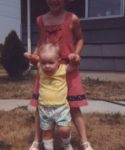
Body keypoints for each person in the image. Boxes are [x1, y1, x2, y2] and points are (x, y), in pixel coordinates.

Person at [25, 0, 93, 150]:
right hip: (47, 69)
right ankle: (37, 140)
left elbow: (80, 38)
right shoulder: (41, 20)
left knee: (74, 106)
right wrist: (35, 56)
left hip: (68, 69)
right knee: (40, 105)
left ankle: (84, 141)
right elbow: (40, 42)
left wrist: (76, 54)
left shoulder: (72, 18)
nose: (54, 2)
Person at [34, 42, 76, 150]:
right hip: (44, 108)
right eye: (43, 63)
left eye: (51, 62)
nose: (47, 66)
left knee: (64, 130)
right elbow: (34, 60)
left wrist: (74, 59)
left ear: (58, 61)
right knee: (47, 133)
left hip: (61, 108)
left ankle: (66, 144)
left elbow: (74, 66)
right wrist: (31, 56)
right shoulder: (41, 70)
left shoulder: (62, 69)